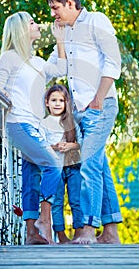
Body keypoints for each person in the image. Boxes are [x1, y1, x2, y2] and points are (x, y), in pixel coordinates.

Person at [47, 0, 122, 244]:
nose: (53, 14)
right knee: (99, 167)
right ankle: (111, 231)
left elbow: (114, 61)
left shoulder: (97, 21)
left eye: (56, 8)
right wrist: (58, 41)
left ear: (70, 3)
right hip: (81, 111)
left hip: (100, 105)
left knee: (89, 166)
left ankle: (89, 228)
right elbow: (58, 68)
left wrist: (99, 98)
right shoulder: (66, 32)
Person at [0, 11, 66, 244]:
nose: (37, 25)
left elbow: (61, 70)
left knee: (32, 175)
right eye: (32, 22)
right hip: (18, 124)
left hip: (35, 127)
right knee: (53, 164)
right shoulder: (9, 57)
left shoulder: (37, 62)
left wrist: (60, 40)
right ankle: (44, 219)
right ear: (21, 30)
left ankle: (31, 233)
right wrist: (3, 94)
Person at [40, 84, 83, 243]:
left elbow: (81, 142)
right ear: (47, 102)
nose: (57, 104)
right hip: (54, 168)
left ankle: (79, 232)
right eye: (53, 100)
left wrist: (70, 145)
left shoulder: (71, 122)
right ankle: (61, 235)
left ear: (66, 103)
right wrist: (55, 147)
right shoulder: (43, 123)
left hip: (72, 166)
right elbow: (41, 144)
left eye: (61, 100)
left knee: (76, 200)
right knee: (57, 202)